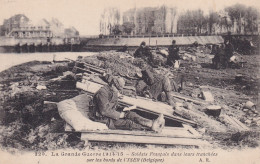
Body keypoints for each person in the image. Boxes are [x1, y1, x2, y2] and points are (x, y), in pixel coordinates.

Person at [89, 75, 165, 133]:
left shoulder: (112, 91)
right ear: (112, 85)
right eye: (118, 89)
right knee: (129, 123)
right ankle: (149, 129)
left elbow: (112, 104)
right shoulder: (103, 93)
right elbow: (104, 111)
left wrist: (123, 109)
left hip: (109, 113)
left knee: (131, 114)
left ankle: (152, 123)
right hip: (101, 118)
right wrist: (120, 115)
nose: (119, 91)